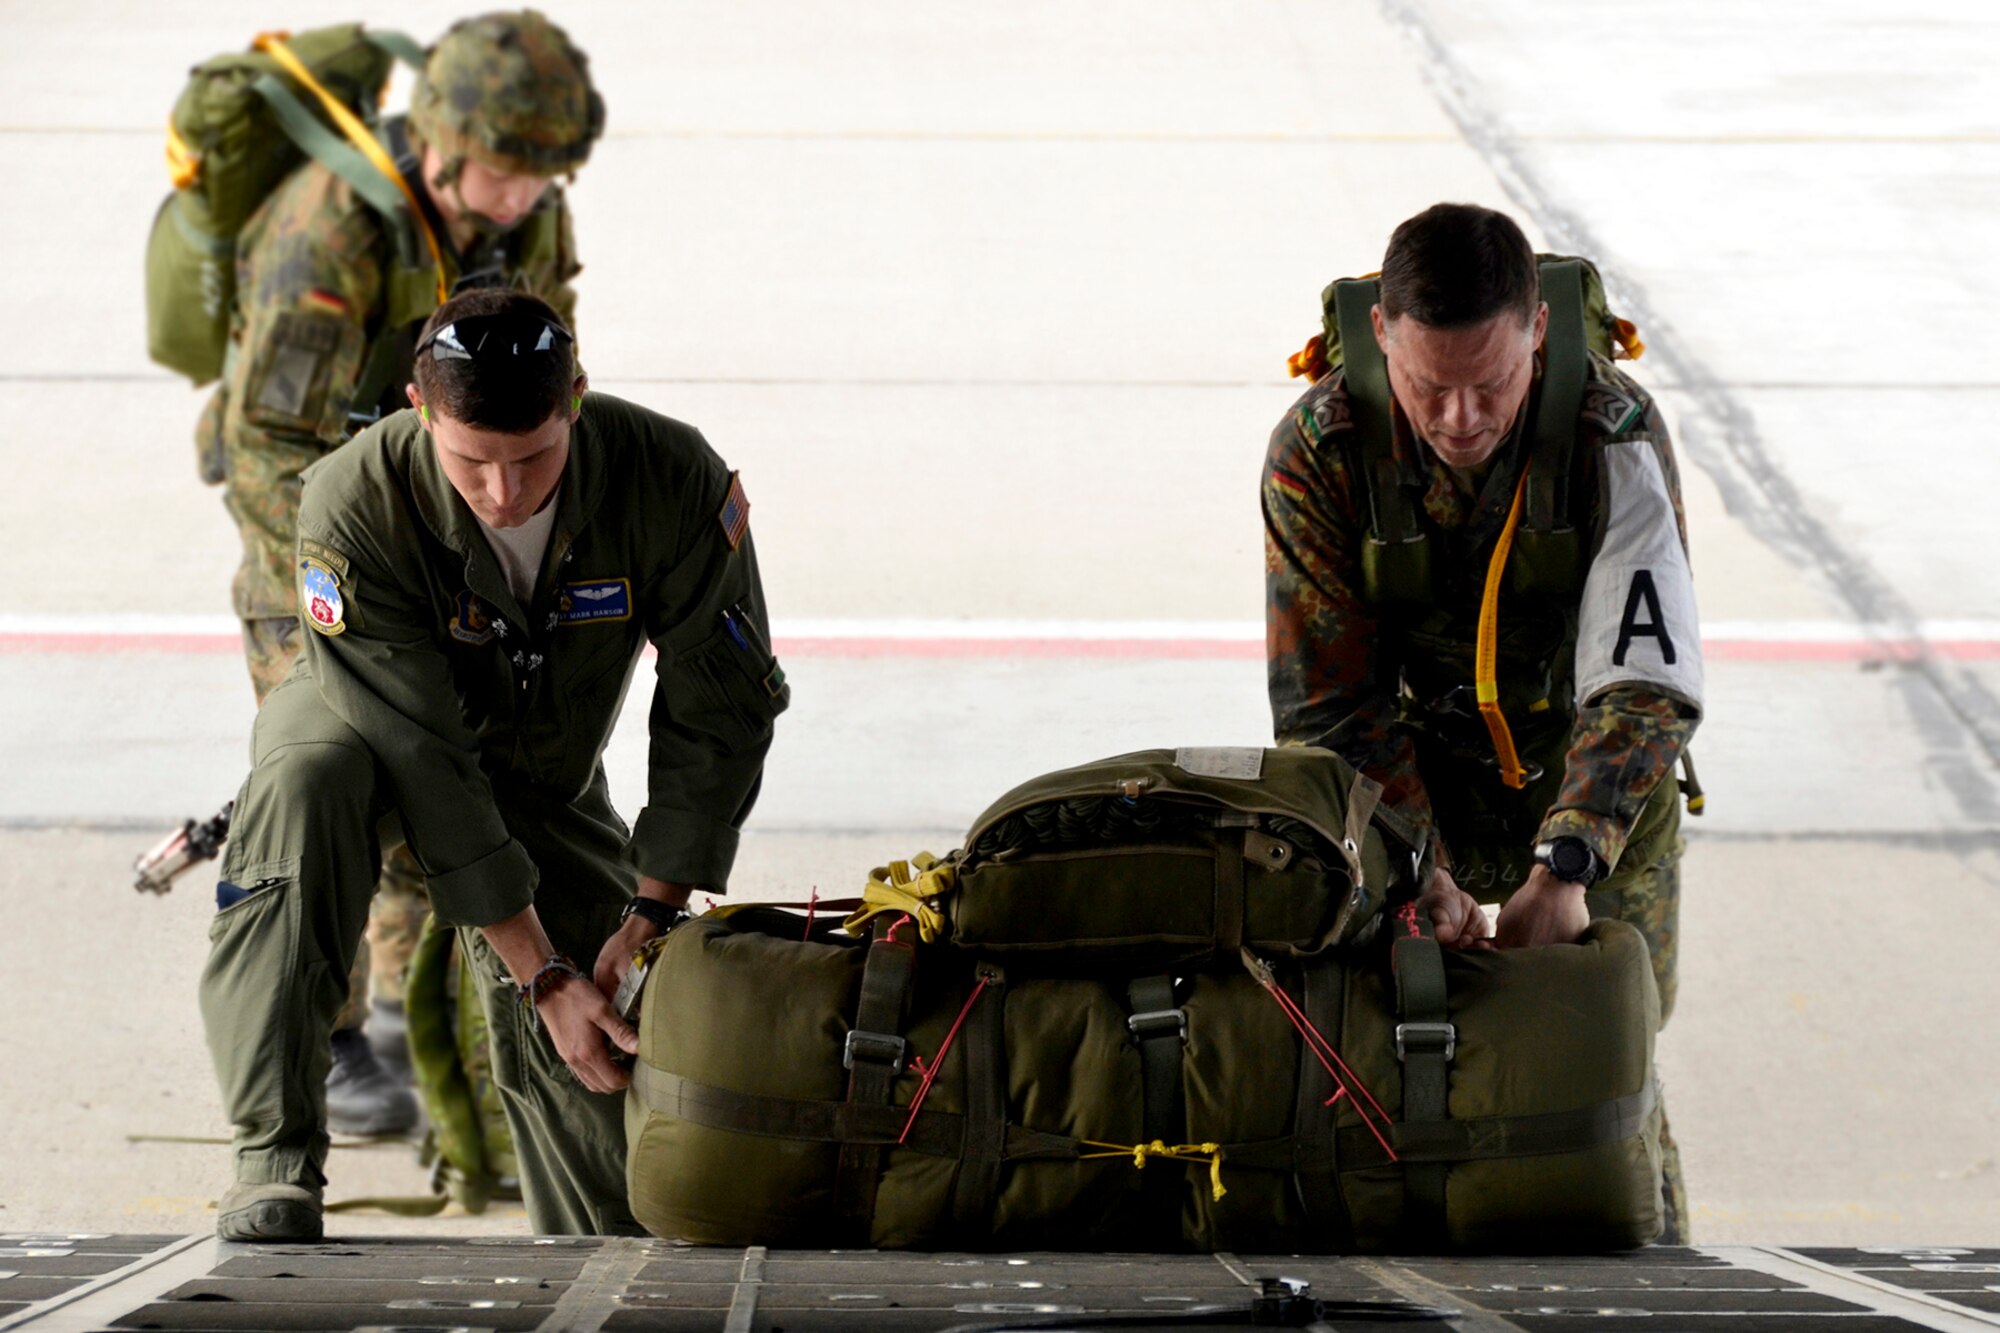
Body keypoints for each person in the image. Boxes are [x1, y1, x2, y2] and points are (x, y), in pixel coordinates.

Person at [200, 288, 788, 1241]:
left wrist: (650, 912)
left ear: (578, 401)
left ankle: (593, 1251)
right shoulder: (353, 497)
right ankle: (274, 1157)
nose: (505, 492)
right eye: (471, 461)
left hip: (542, 774)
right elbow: (422, 755)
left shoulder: (670, 477)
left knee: (617, 1082)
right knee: (301, 785)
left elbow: (719, 711)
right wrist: (542, 970)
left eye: (536, 458)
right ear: (419, 408)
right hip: (374, 736)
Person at [196, 10, 604, 1135]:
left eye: (543, 171)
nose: (522, 194)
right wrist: (351, 581)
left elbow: (551, 373)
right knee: (326, 785)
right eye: (503, 168)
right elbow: (269, 444)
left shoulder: (529, 214)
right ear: (440, 134)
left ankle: (415, 1020)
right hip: (308, 540)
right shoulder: (323, 235)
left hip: (446, 513)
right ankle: (320, 1044)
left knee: (449, 770)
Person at [1262, 202, 1702, 1241]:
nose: (1459, 418)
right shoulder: (1317, 449)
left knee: (1608, 1051)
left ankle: (1658, 1282)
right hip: (1404, 790)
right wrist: (1423, 874)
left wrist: (1566, 866)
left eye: (1490, 384)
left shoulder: (1613, 432)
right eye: (1428, 386)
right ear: (1381, 337)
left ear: (1536, 334)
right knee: (1395, 1051)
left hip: (1592, 790)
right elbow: (1328, 705)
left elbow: (1642, 682)